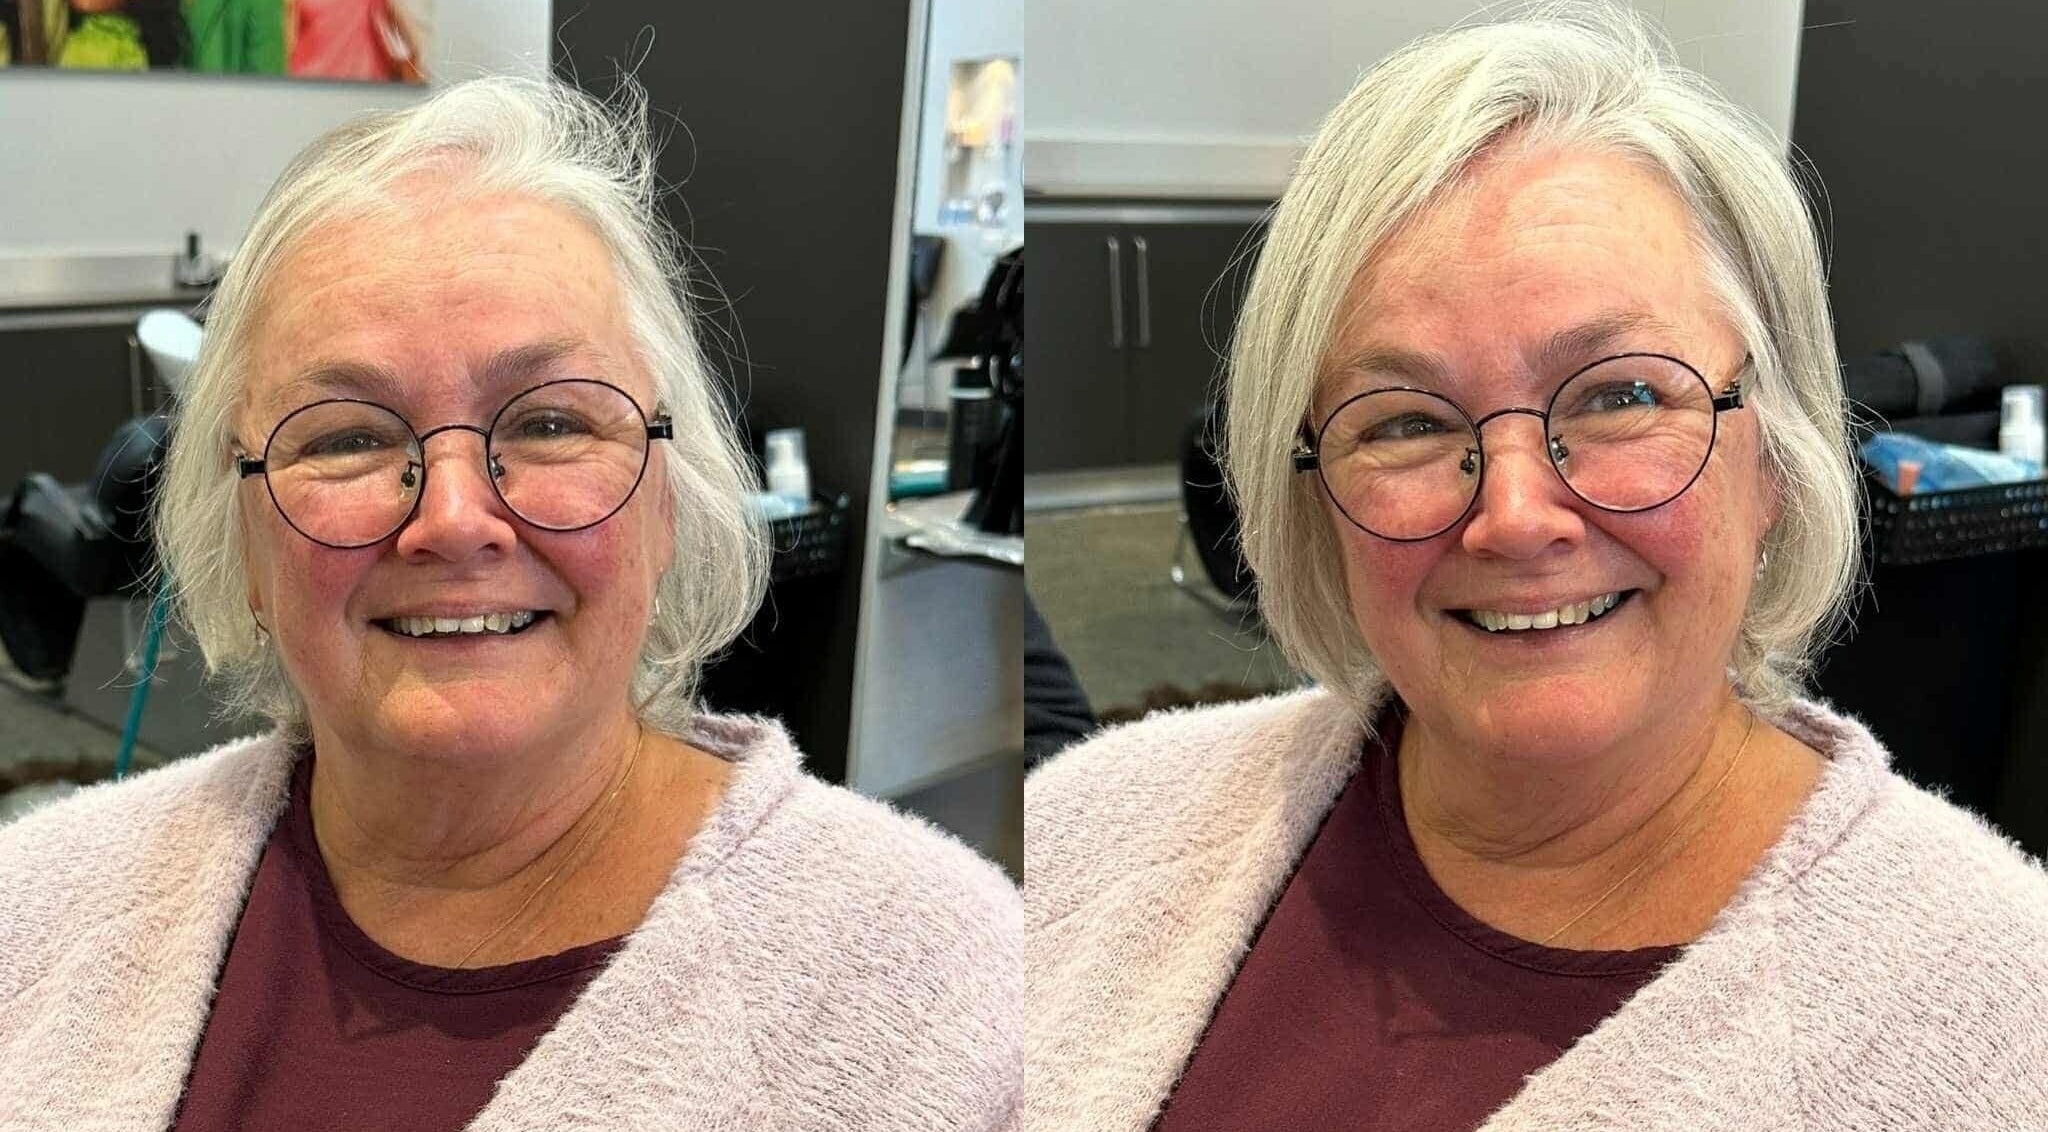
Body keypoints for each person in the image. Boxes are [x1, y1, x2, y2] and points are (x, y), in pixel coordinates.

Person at [1025, 8, 2048, 1130]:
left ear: (1774, 456)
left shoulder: (2002, 1022)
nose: (1513, 519)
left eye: (1621, 395)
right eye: (1407, 421)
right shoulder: (1088, 829)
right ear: (1311, 491)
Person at [0, 77, 1019, 1130]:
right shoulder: (37, 906)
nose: (452, 519)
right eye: (348, 437)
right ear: (244, 535)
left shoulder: (954, 1003)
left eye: (548, 424)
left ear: (667, 502)